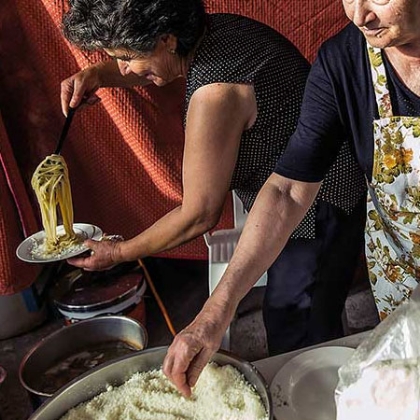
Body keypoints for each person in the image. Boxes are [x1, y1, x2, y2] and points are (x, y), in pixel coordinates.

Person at [61, 0, 366, 356]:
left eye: (125, 58)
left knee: (296, 327)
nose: (124, 70)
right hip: (316, 189)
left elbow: (198, 215)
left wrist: (117, 252)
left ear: (165, 39)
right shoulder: (214, 30)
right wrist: (98, 75)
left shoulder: (218, 91)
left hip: (317, 207)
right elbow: (142, 63)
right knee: (314, 315)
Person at [163, 0, 420, 398]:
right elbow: (287, 189)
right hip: (402, 278)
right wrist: (215, 313)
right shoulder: (344, 61)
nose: (359, 16)